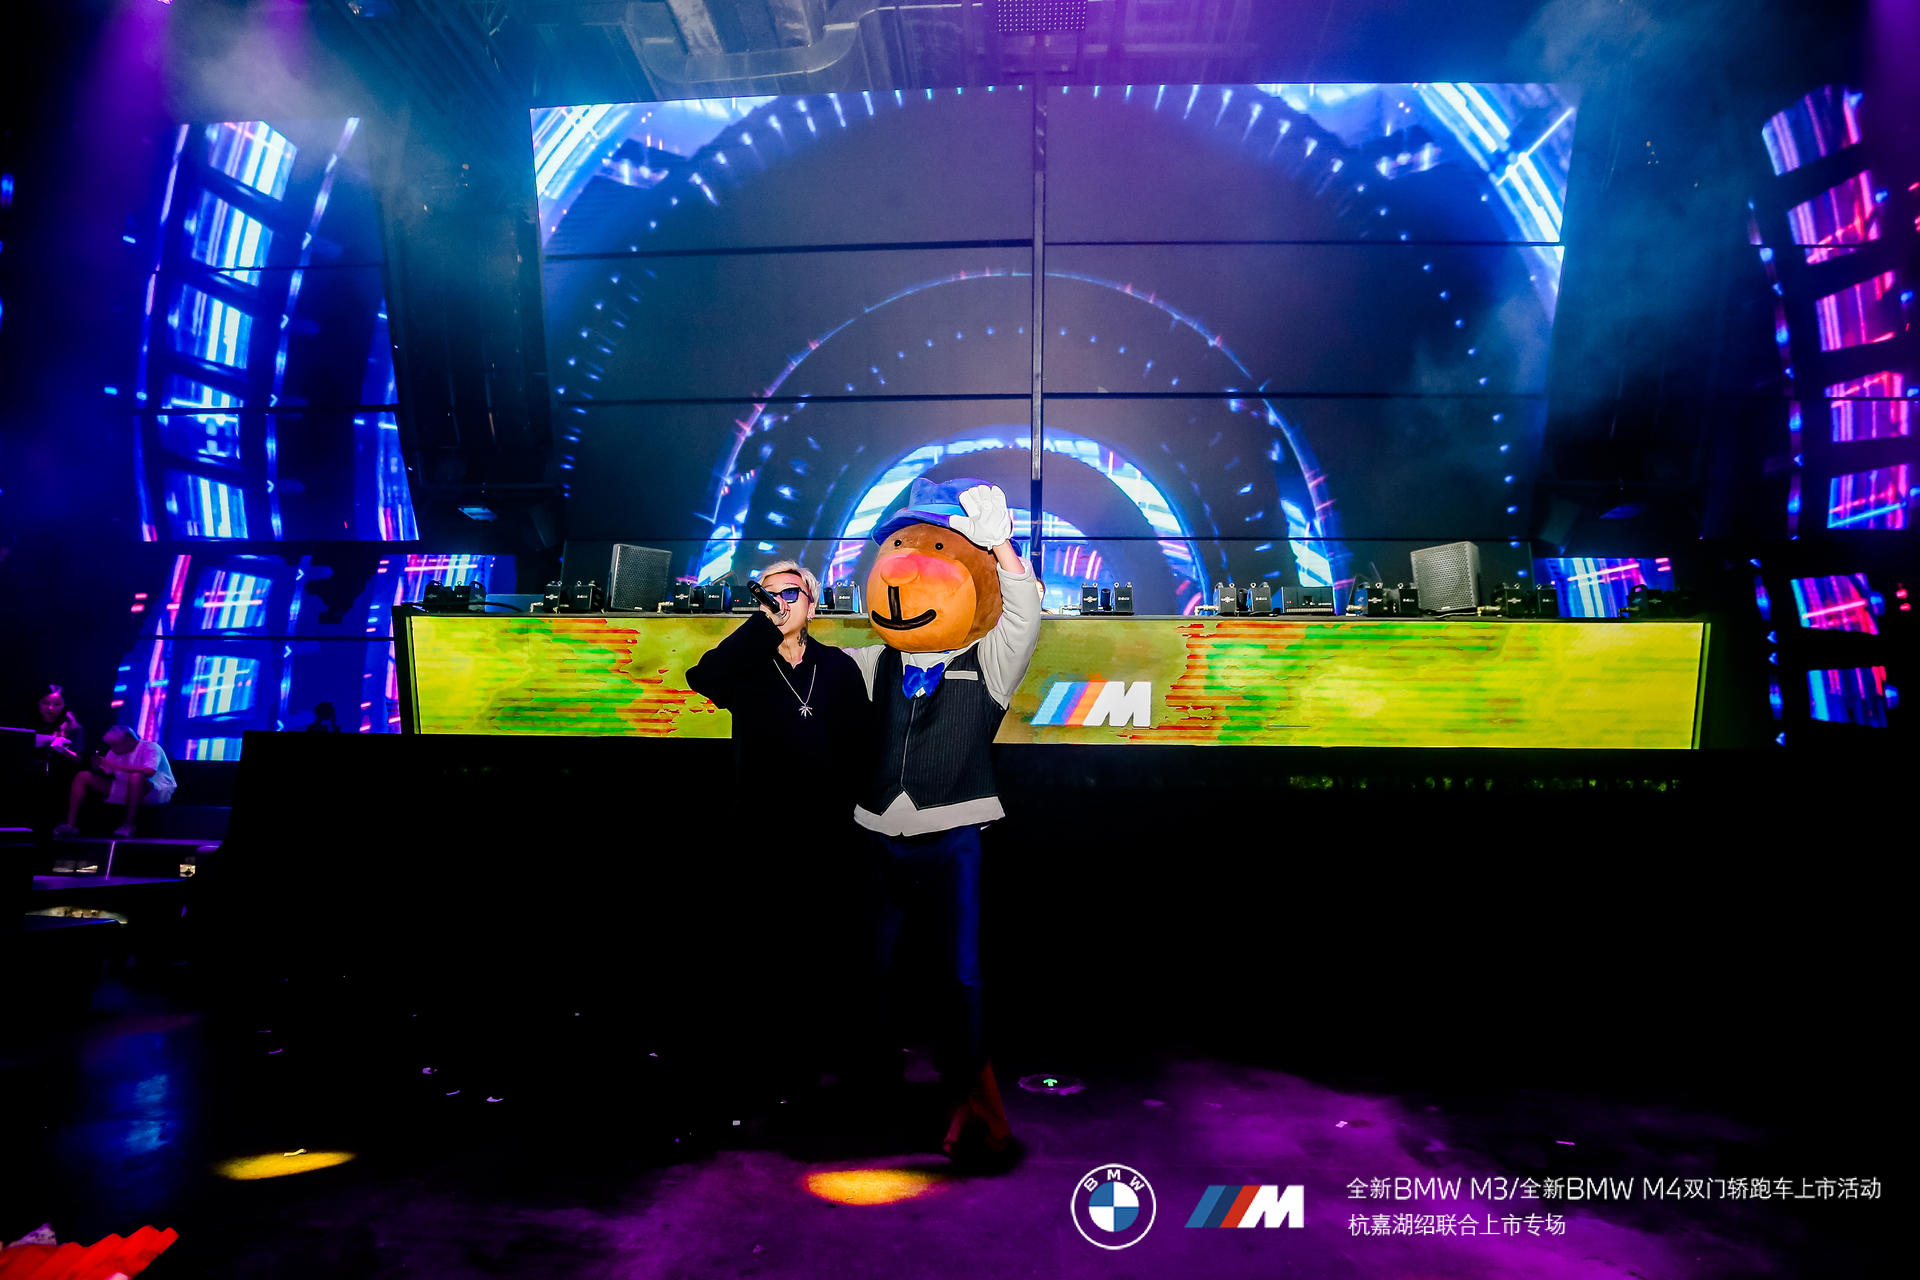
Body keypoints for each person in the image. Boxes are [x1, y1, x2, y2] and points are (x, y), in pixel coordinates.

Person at [842, 478, 1042, 1162]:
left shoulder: (989, 664)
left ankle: (982, 1108)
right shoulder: (874, 663)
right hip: (877, 836)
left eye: (933, 549)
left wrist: (1003, 547)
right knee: (874, 973)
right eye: (899, 549)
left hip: (952, 836)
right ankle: (889, 1098)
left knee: (958, 978)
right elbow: (804, 665)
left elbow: (1023, 615)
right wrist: (783, 609)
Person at [683, 561, 876, 1127]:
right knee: (763, 957)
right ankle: (761, 1078)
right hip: (762, 836)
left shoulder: (837, 667)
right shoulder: (748, 665)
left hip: (828, 838)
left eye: (790, 593)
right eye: (766, 595)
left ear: (813, 601)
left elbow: (861, 744)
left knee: (822, 957)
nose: (779, 602)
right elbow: (703, 677)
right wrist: (761, 625)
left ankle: (816, 1074)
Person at [55, 725, 176, 839]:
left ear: (129, 739)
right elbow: (107, 771)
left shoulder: (150, 747)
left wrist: (115, 765)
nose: (113, 749)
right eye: (111, 745)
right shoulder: (113, 752)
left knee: (135, 777)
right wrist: (97, 766)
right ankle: (70, 825)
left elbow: (149, 771)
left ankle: (128, 824)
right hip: (126, 787)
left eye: (116, 745)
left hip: (155, 789)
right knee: (83, 776)